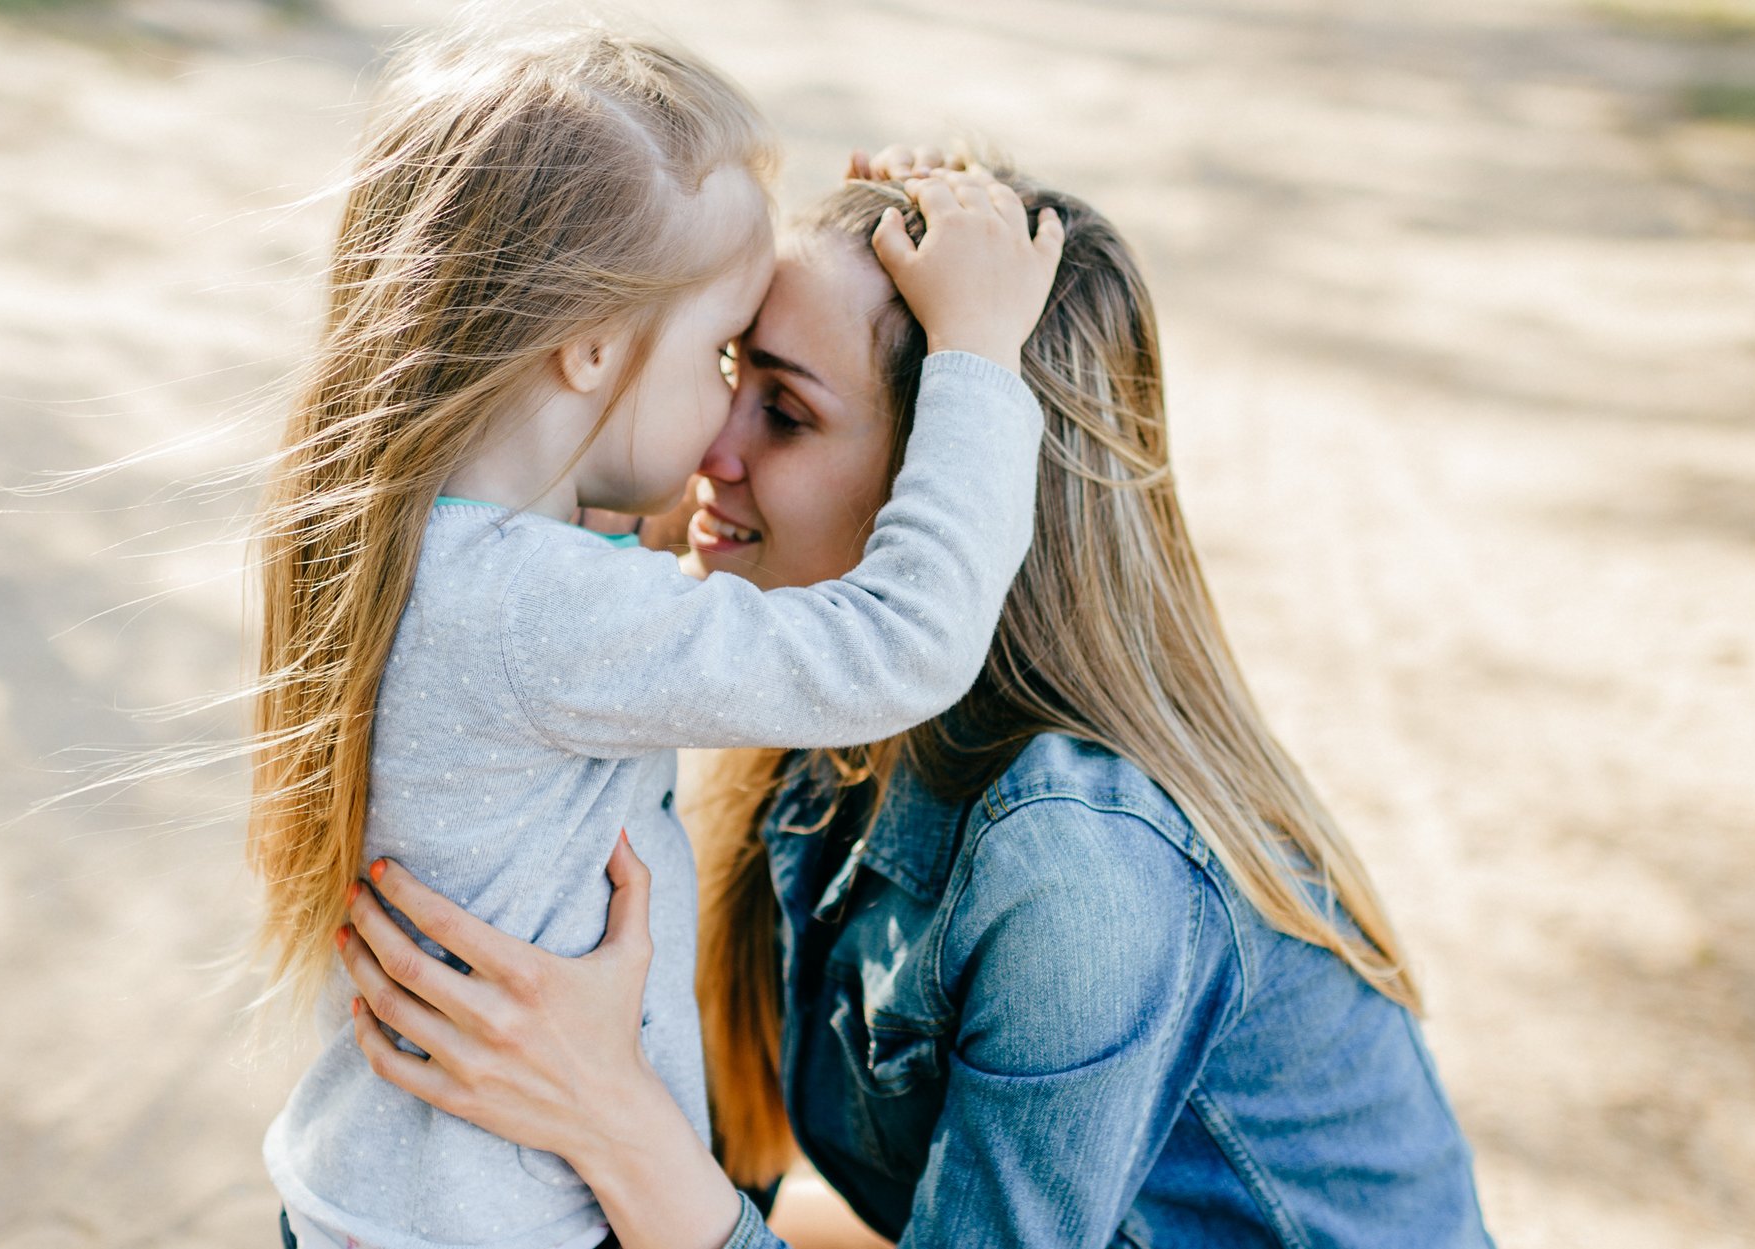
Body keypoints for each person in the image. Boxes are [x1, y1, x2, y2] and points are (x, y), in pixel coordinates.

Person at [330, 156, 1498, 1248]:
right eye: (731, 374)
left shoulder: (1077, 872)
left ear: (956, 483)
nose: (710, 447)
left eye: (783, 412)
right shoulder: (820, 717)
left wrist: (605, 1113)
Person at [247, 27, 1066, 1249]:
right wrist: (974, 356)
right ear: (585, 348)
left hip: (384, 1202)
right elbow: (896, 645)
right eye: (722, 353)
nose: (727, 414)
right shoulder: (538, 609)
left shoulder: (425, 540)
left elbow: (608, 531)